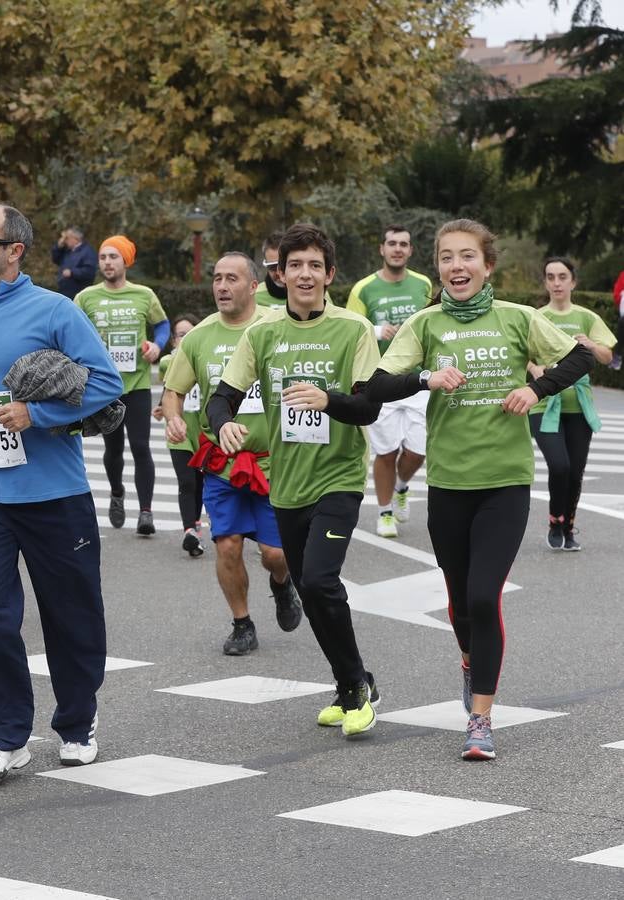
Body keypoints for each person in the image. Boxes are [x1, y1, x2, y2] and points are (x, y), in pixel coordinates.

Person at [365, 220, 592, 760]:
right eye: (446, 258)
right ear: (438, 268)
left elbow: (580, 357)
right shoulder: (425, 324)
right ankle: (469, 657)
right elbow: (375, 385)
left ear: (488, 265)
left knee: (485, 597)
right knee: (462, 602)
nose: (457, 266)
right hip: (448, 484)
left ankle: (480, 719)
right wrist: (425, 379)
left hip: (505, 483)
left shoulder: (518, 318)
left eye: (468, 256)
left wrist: (534, 388)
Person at [0, 204, 122, 781]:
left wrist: (36, 414)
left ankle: (76, 722)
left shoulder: (56, 310)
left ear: (14, 250)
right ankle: (3, 735)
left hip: (54, 493)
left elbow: (106, 383)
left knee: (71, 616)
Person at [206, 223, 383, 739]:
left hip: (339, 477)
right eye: (294, 265)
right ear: (279, 275)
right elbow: (221, 398)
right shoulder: (260, 335)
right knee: (309, 586)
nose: (304, 274)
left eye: (314, 265)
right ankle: (353, 682)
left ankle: (355, 689)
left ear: (330, 274)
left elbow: (369, 407)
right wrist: (225, 424)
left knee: (321, 580)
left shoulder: (353, 330)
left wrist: (329, 399)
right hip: (284, 483)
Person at [161, 254, 300, 655]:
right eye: (217, 278)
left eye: (232, 278)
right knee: (227, 544)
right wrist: (173, 419)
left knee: (275, 553)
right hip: (222, 464)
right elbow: (174, 391)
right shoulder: (200, 336)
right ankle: (242, 623)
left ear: (253, 286)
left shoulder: (279, 324)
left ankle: (282, 583)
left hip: (276, 461)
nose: (222, 286)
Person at [75, 235, 168, 536]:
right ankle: (117, 492)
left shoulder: (143, 295)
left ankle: (146, 512)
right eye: (103, 257)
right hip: (104, 387)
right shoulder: (86, 297)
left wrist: (157, 345)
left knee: (141, 447)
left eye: (114, 257)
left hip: (138, 383)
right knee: (113, 449)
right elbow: (71, 329)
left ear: (126, 261)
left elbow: (163, 325)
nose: (107, 262)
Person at [346, 225, 433, 537]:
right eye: (392, 243)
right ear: (382, 249)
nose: (398, 249)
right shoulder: (363, 288)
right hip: (380, 379)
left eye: (404, 244)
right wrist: (377, 331)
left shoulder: (423, 283)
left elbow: (432, 322)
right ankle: (384, 512)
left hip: (417, 379)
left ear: (410, 251)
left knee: (419, 449)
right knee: (385, 452)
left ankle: (401, 486)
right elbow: (351, 330)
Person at [529, 257, 615, 550]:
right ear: (545, 282)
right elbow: (519, 351)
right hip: (543, 404)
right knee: (560, 465)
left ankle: (569, 527)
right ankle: (555, 519)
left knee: (575, 470)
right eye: (550, 277)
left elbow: (607, 357)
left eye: (562, 277)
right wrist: (533, 368)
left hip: (579, 407)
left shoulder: (587, 317)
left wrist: (591, 345)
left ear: (573, 282)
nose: (556, 282)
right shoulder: (535, 316)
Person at [154, 314, 206, 557]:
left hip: (205, 431)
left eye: (191, 333)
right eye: (181, 335)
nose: (186, 338)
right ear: (174, 341)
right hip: (179, 430)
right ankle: (189, 530)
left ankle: (195, 525)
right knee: (187, 481)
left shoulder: (208, 359)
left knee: (200, 482)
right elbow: (169, 391)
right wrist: (160, 406)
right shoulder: (167, 363)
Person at [51, 226, 98, 299]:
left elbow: (89, 272)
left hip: (79, 293)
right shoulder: (67, 250)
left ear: (76, 239)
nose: (65, 241)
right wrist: (58, 246)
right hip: (65, 292)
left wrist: (72, 272)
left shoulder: (88, 252)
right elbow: (55, 259)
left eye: (67, 238)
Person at [254, 231, 288, 309]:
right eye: (272, 267)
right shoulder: (255, 296)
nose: (278, 273)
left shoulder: (308, 293)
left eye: (283, 266)